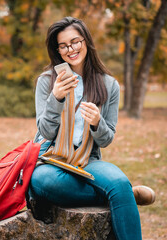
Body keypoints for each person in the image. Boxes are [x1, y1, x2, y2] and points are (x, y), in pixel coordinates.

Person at [29, 17, 155, 240]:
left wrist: (97, 122)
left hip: (88, 159)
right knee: (42, 182)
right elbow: (45, 133)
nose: (71, 49)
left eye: (75, 41)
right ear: (57, 50)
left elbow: (106, 139)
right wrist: (56, 98)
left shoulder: (108, 85)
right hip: (51, 158)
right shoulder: (47, 81)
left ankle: (120, 191)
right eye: (64, 45)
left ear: (86, 41)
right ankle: (123, 195)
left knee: (117, 181)